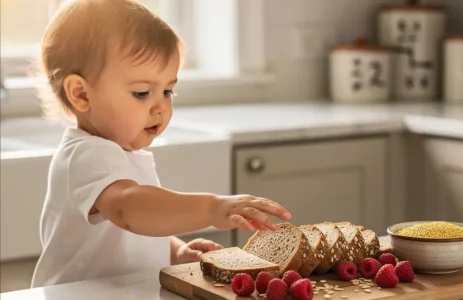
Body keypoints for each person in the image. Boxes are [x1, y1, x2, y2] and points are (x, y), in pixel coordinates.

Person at [31, 0, 291, 288]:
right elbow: (130, 210)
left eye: (168, 90)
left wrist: (176, 250)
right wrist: (212, 207)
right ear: (81, 93)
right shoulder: (85, 154)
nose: (161, 107)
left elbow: (136, 227)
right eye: (142, 93)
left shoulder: (121, 154)